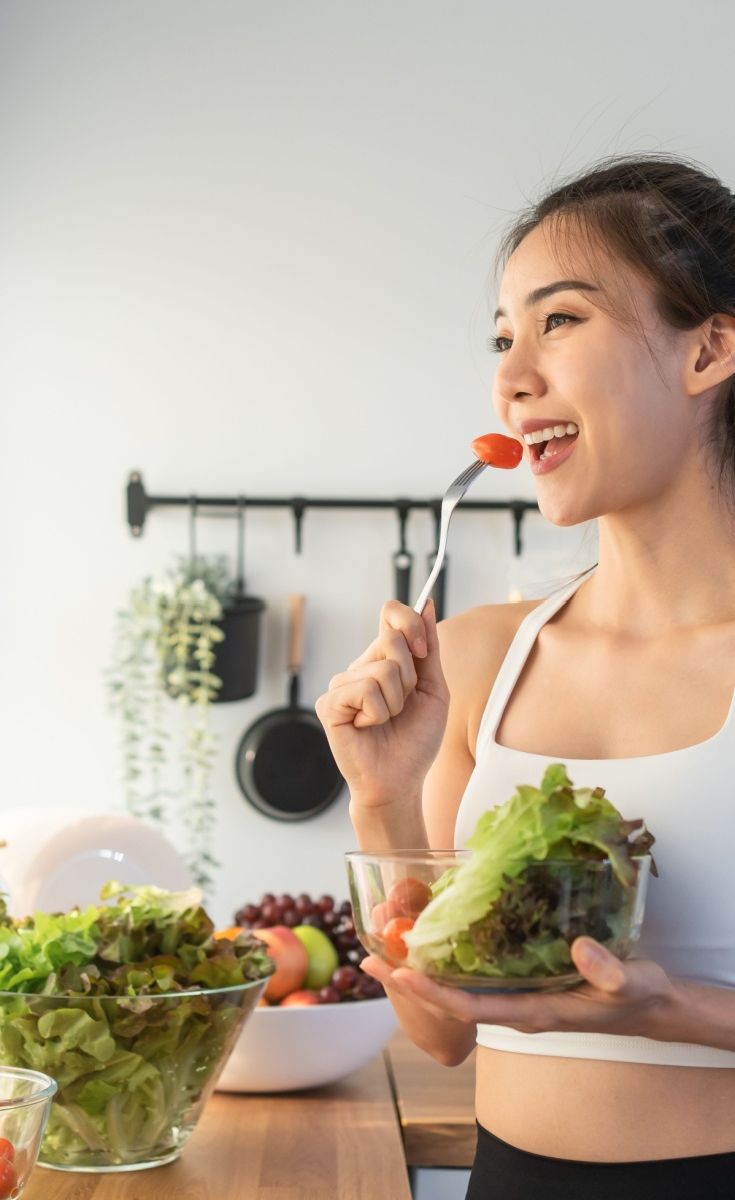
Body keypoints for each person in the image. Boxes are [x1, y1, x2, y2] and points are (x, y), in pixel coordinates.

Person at [317, 156, 735, 1199]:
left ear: (710, 349)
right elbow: (438, 1027)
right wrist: (384, 797)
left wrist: (668, 1009)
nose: (511, 374)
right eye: (503, 337)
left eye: (560, 322)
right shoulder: (479, 657)